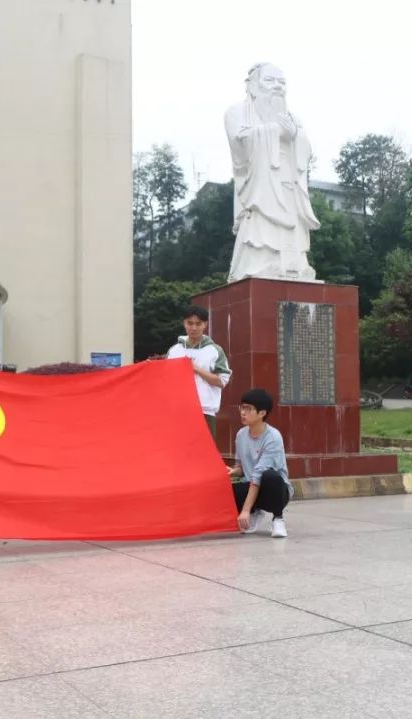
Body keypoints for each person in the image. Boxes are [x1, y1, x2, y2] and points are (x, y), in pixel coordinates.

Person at [224, 62, 320, 282]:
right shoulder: (237, 112)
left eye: (282, 82)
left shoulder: (293, 118)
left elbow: (306, 148)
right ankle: (260, 262)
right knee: (260, 229)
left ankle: (295, 267)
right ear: (252, 86)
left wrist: (294, 134)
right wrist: (277, 131)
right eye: (270, 80)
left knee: (292, 230)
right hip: (261, 187)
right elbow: (239, 143)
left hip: (288, 185)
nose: (277, 86)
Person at [229, 388, 291, 538]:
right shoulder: (241, 434)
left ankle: (278, 519)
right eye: (242, 408)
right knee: (228, 490)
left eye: (248, 409)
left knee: (270, 476)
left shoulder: (273, 437)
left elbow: (258, 474)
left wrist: (244, 510)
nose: (243, 412)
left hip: (275, 491)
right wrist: (232, 471)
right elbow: (243, 468)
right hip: (251, 485)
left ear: (262, 413)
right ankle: (254, 511)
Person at [166, 305, 232, 439]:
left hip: (205, 411)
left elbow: (222, 381)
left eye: (198, 323)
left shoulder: (214, 350)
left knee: (205, 457)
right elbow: (165, 380)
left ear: (205, 325)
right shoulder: (174, 350)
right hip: (178, 411)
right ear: (184, 323)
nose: (194, 328)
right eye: (190, 323)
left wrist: (196, 369)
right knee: (178, 454)